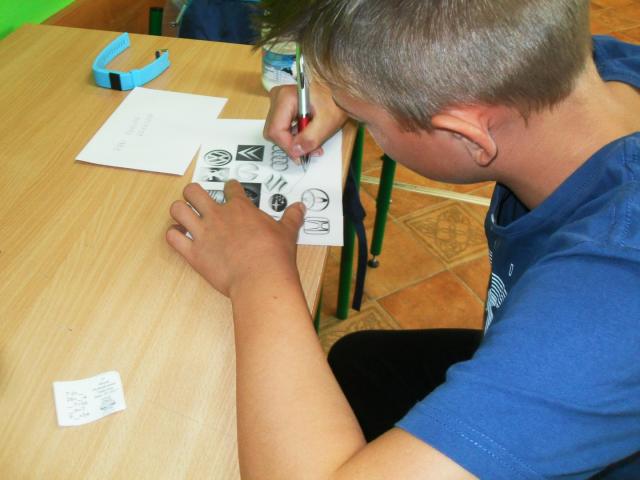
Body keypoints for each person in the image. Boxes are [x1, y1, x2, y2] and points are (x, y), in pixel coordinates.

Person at [166, 0, 640, 478]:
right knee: (360, 363)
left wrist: (258, 272)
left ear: (467, 135)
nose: (358, 122)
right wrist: (348, 88)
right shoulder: (588, 74)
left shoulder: (609, 293)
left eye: (366, 121)